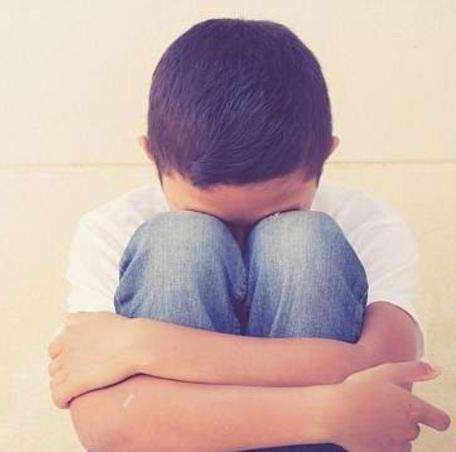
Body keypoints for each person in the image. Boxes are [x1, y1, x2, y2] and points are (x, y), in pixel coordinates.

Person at [46, 18, 450, 451]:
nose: (243, 240)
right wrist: (329, 411)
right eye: (209, 217)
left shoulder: (364, 223)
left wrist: (146, 345)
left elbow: (386, 375)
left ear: (325, 155)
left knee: (302, 243)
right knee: (178, 243)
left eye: (278, 213)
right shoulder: (115, 228)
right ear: (151, 155)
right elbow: (109, 427)